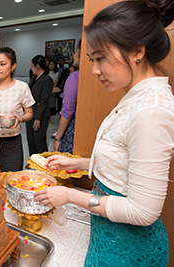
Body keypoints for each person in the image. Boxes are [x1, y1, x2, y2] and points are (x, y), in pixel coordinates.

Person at [34, 1, 174, 266]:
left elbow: (143, 211)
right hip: (110, 235)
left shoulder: (151, 110)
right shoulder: (135, 97)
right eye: (91, 60)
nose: (95, 70)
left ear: (137, 52)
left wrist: (71, 196)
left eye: (100, 59)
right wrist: (80, 163)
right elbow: (125, 163)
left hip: (129, 247)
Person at [0, 47, 34, 172]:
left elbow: (29, 113)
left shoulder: (21, 87)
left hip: (12, 144)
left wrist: (20, 119)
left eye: (2, 64)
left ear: (13, 66)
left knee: (11, 180)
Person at [53, 40, 81, 154]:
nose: (73, 55)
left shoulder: (75, 77)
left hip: (74, 130)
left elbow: (68, 110)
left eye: (76, 52)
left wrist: (58, 138)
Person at [26, 55, 54, 155]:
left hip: (40, 115)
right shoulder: (34, 78)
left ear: (37, 66)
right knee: (31, 139)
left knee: (39, 140)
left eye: (32, 66)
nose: (31, 68)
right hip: (31, 113)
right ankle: (32, 160)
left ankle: (43, 162)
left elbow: (44, 100)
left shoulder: (47, 80)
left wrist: (38, 118)